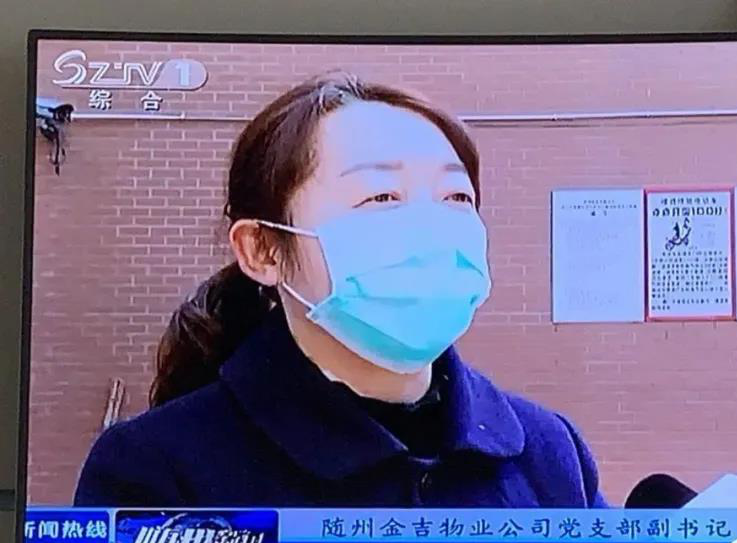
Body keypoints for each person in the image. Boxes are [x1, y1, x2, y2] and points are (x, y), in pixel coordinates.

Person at [74, 72, 606, 508]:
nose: (430, 228)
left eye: (455, 197)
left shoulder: (548, 450)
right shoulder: (157, 468)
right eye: (381, 197)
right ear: (262, 250)